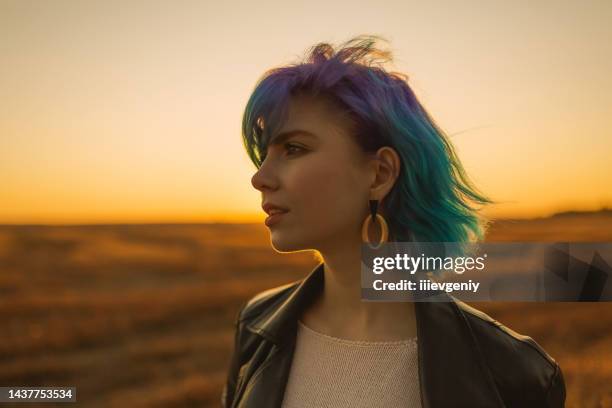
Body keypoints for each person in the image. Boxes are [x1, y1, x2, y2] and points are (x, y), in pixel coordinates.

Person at [222, 35, 566, 407]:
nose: (260, 177)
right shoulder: (258, 323)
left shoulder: (512, 371)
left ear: (380, 174)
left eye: (294, 149)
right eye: (265, 154)